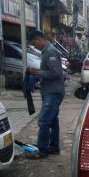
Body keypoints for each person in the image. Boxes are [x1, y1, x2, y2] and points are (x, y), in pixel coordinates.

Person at [27, 30, 65, 159]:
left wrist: (37, 73)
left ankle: (42, 150)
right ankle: (54, 148)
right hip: (49, 91)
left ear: (38, 39)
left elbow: (56, 73)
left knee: (43, 121)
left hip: (53, 92)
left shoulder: (50, 51)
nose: (35, 46)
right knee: (52, 121)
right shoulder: (46, 51)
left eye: (34, 43)